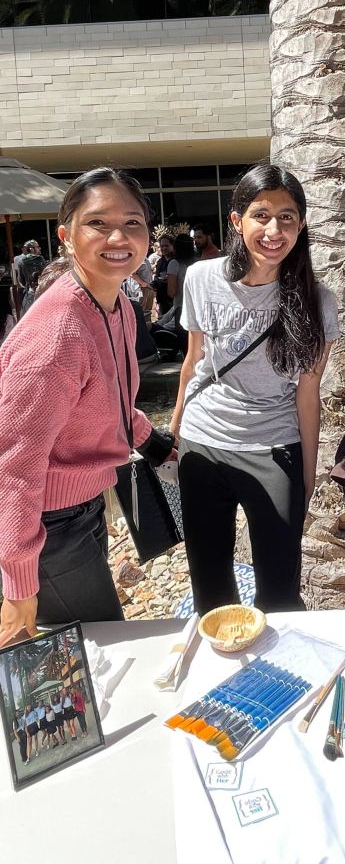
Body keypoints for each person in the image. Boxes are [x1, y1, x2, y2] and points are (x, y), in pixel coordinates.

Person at [0, 167, 176, 647]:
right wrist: (18, 582)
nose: (119, 237)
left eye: (133, 223)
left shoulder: (114, 305)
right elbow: (15, 464)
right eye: (98, 223)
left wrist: (156, 443)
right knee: (101, 647)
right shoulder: (58, 331)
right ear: (66, 236)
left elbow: (110, 401)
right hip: (47, 523)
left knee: (91, 646)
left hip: (82, 507)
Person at [170, 163, 339, 614]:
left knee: (281, 591)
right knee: (210, 586)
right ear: (237, 220)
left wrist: (306, 474)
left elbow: (309, 393)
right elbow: (194, 363)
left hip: (274, 448)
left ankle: (280, 680)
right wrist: (174, 433)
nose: (274, 229)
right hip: (202, 445)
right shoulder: (202, 279)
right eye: (261, 215)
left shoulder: (318, 301)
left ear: (301, 225)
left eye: (287, 217)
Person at [151, 234, 176, 317]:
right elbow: (156, 279)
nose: (164, 248)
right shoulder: (160, 262)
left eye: (166, 246)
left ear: (172, 246)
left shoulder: (177, 261)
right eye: (162, 246)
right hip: (163, 299)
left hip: (175, 300)